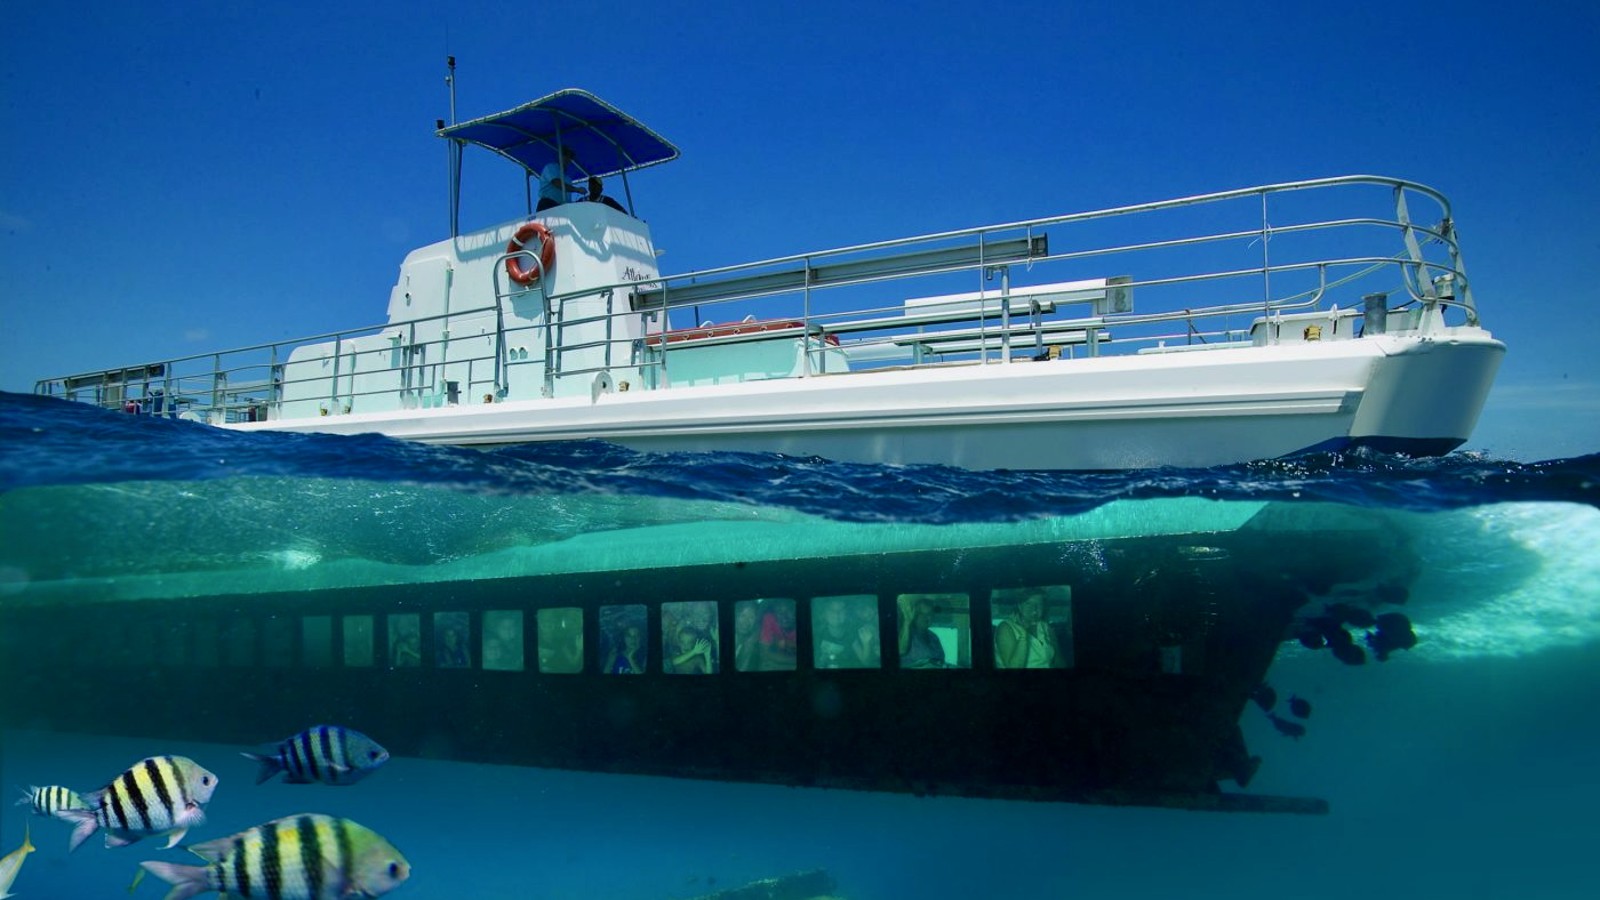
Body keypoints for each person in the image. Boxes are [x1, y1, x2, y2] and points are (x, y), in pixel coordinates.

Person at [995, 591, 1060, 669]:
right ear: (1019, 606)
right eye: (1028, 603)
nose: (1034, 609)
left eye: (1039, 604)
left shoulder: (1045, 627)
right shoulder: (1005, 628)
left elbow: (1058, 659)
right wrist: (1023, 636)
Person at [815, 598, 876, 669]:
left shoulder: (851, 632)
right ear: (824, 614)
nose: (836, 614)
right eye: (831, 610)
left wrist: (866, 643)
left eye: (841, 610)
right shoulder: (818, 634)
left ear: (846, 614)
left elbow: (865, 662)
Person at [897, 595, 946, 668]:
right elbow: (900, 651)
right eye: (924, 614)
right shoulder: (906, 633)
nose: (929, 617)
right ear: (914, 615)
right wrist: (907, 622)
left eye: (930, 613)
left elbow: (941, 659)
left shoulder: (933, 637)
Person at [537, 146, 583, 211]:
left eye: (570, 156)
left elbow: (567, 199)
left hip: (561, 209)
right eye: (565, 154)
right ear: (559, 155)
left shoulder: (568, 179)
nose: (567, 157)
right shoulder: (551, 167)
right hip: (547, 205)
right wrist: (576, 189)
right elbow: (556, 183)